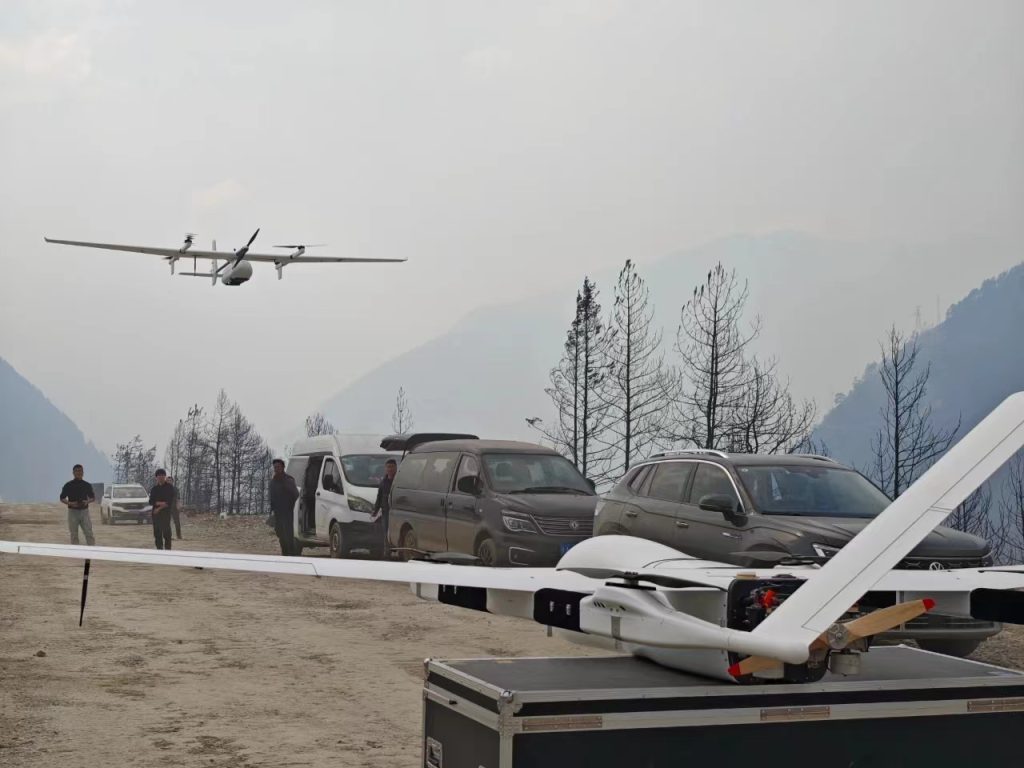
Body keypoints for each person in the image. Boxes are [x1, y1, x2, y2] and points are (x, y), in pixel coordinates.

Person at [269, 459, 299, 556]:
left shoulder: (289, 480)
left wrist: (289, 504)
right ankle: (285, 553)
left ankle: (291, 552)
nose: (276, 469)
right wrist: (272, 510)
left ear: (282, 468)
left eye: (278, 467)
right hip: (278, 512)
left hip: (288, 511)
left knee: (288, 533)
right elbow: (271, 497)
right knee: (280, 533)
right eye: (275, 467)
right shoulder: (273, 482)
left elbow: (296, 494)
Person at [59, 464, 96, 545]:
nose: (79, 473)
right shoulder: (68, 485)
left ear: (83, 472)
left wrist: (87, 501)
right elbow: (62, 498)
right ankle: (76, 553)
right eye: (77, 471)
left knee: (89, 533)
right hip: (72, 512)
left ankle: (92, 552)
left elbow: (93, 498)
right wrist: (70, 503)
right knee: (74, 534)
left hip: (84, 512)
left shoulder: (87, 485)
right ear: (73, 473)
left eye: (80, 471)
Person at [371, 459, 397, 554]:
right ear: (385, 468)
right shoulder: (383, 482)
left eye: (392, 467)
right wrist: (375, 510)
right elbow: (379, 497)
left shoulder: (398, 481)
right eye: (388, 467)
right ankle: (387, 552)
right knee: (386, 531)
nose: (390, 469)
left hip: (396, 512)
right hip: (386, 512)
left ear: (396, 468)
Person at [149, 468, 175, 550]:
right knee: (157, 534)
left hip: (165, 514)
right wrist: (160, 503)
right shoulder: (154, 489)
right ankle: (159, 551)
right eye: (159, 476)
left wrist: (158, 508)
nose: (161, 477)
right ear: (156, 477)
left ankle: (168, 551)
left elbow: (169, 502)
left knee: (167, 534)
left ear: (165, 476)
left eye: (162, 475)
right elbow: (151, 501)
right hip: (156, 516)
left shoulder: (169, 487)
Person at [167, 475, 182, 539]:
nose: (169, 482)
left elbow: (178, 498)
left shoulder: (175, 489)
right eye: (168, 481)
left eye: (170, 480)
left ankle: (179, 536)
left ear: (172, 481)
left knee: (177, 522)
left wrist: (178, 505)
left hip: (174, 508)